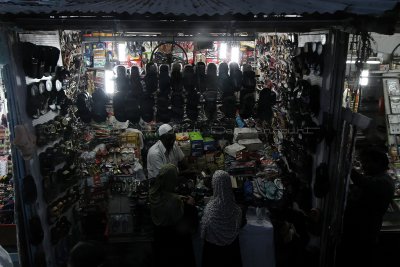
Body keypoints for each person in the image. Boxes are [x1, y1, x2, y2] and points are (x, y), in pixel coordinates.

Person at [337, 148, 395, 267]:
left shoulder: (384, 181)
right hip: (358, 233)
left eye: (367, 162)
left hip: (365, 235)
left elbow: (363, 182)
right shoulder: (375, 178)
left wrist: (347, 166)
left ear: (378, 163)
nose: (364, 166)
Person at [149, 164, 197, 267]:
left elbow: (166, 197)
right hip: (174, 244)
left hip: (159, 243)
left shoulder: (153, 196)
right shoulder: (176, 201)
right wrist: (189, 205)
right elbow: (189, 223)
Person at [201, 170, 243, 267]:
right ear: (229, 184)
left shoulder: (209, 210)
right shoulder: (237, 210)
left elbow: (203, 233)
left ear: (214, 185)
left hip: (214, 256)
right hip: (232, 255)